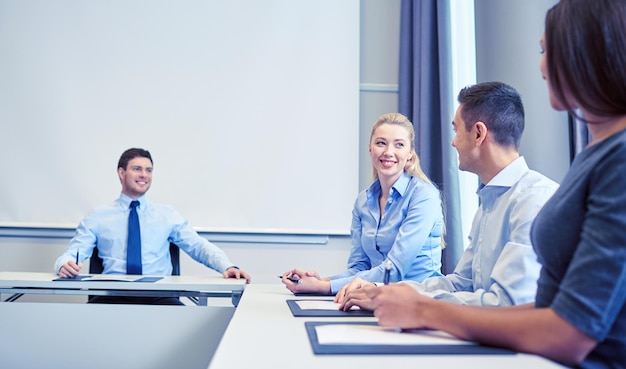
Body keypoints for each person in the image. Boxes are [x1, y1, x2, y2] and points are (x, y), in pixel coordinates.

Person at [339, 0, 626, 367]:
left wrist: (424, 310)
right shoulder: (595, 154)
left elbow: (569, 331)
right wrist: (390, 295)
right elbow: (495, 294)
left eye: (545, 51)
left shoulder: (614, 160)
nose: (540, 66)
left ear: (582, 53)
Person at [337, 82, 558, 307]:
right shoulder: (489, 202)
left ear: (479, 133)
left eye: (456, 130)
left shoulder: (533, 200)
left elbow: (505, 304)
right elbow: (460, 283)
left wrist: (412, 304)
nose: (453, 142)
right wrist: (382, 291)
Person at [55, 148, 250, 305]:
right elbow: (74, 252)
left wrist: (227, 266)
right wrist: (65, 265)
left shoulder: (166, 215)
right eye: (137, 169)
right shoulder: (98, 216)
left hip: (159, 295)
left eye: (148, 170)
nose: (144, 175)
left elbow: (198, 246)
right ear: (121, 173)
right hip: (111, 295)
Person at [281, 113, 444, 295]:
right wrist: (319, 281)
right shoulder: (362, 202)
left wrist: (324, 287)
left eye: (399, 144)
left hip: (421, 301)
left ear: (410, 153)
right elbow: (359, 268)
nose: (388, 152)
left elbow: (395, 270)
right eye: (381, 143)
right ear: (370, 149)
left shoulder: (423, 196)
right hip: (376, 298)